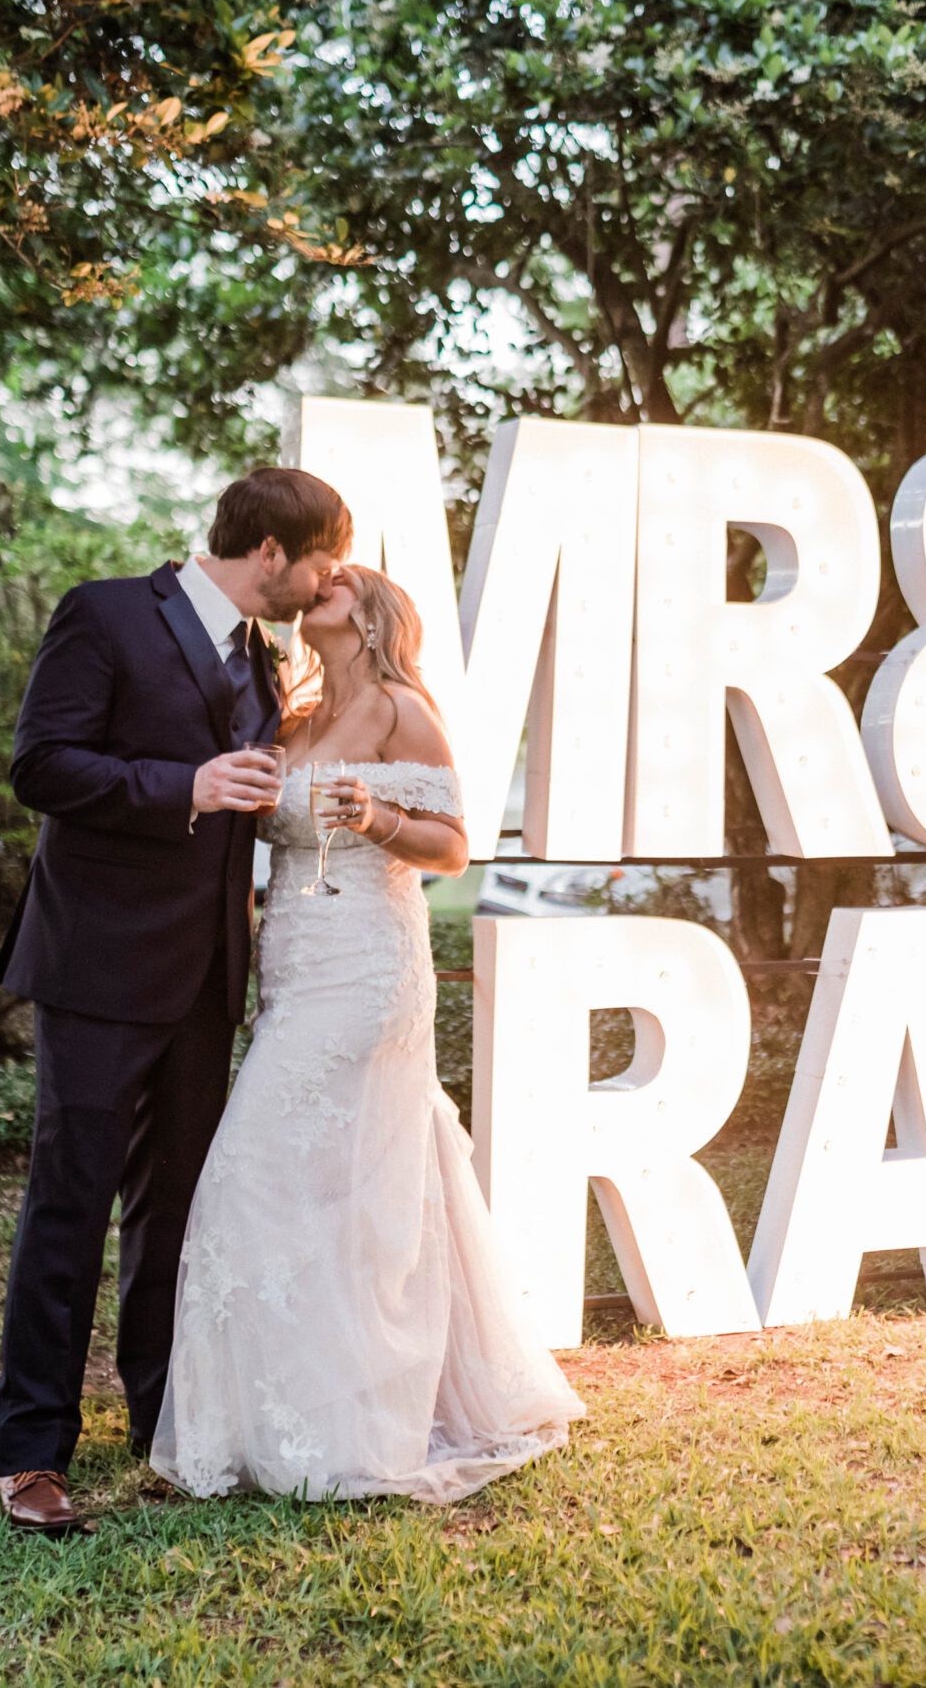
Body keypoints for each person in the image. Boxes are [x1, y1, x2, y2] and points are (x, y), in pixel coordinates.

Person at [151, 563, 584, 1502]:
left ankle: (347, 1422)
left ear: (376, 614)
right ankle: (295, 1412)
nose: (321, 583)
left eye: (341, 579)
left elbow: (453, 846)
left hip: (368, 968)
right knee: (321, 1185)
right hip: (293, 969)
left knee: (253, 1169)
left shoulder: (401, 709)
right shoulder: (291, 716)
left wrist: (381, 816)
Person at [0, 467, 348, 1534]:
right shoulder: (104, 613)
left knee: (176, 1209)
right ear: (271, 552)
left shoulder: (264, 658)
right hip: (98, 968)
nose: (326, 580)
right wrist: (181, 786)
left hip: (205, 978)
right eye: (321, 559)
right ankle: (29, 1452)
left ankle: (162, 1419)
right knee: (70, 1202)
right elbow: (40, 765)